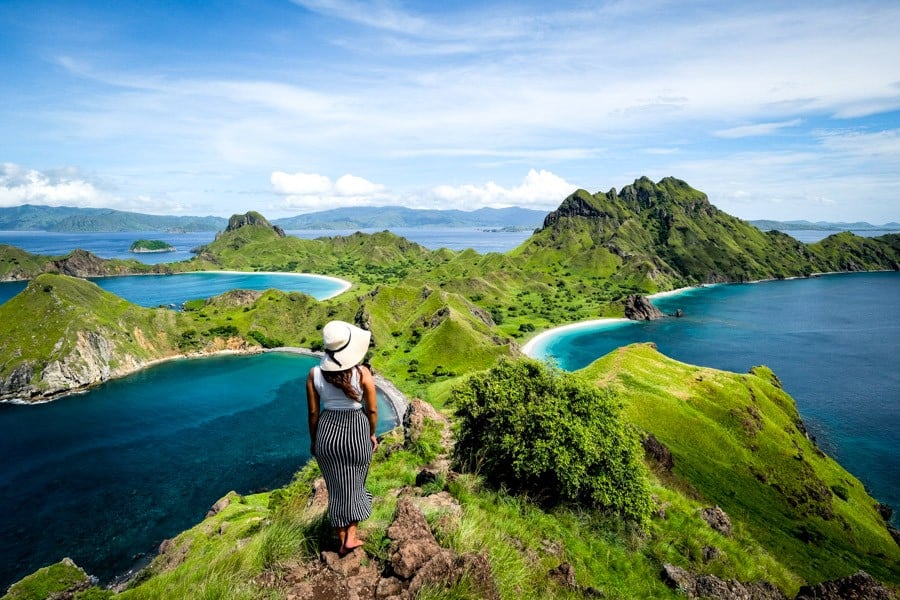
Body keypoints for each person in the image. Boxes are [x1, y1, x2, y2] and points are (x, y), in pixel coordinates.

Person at [306, 320, 378, 556]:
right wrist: (372, 434)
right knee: (356, 484)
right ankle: (352, 536)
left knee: (336, 489)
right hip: (357, 431)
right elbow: (372, 410)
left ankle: (341, 539)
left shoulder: (314, 374)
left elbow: (314, 413)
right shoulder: (362, 373)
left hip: (327, 433)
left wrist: (315, 441)